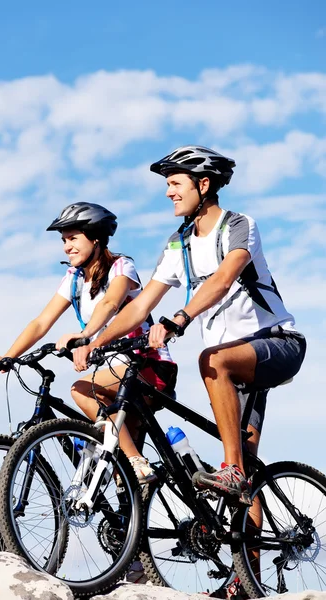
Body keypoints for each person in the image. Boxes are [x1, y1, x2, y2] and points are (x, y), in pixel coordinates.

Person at [73, 146, 306, 504]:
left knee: (212, 361)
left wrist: (178, 318)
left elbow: (224, 279)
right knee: (245, 482)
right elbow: (140, 306)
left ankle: (233, 468)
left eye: (175, 183)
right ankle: (244, 549)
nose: (169, 192)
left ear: (204, 184)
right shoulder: (177, 243)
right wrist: (96, 340)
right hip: (233, 363)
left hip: (278, 344)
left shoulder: (238, 225)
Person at [0, 201, 177, 484]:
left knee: (81, 389)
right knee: (126, 488)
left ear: (95, 238)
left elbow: (111, 303)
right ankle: (130, 485)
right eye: (64, 240)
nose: (66, 247)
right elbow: (41, 322)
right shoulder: (74, 279)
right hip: (114, 372)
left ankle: (135, 461)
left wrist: (87, 338)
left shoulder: (121, 267)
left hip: (147, 364)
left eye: (73, 238)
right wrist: (8, 356)